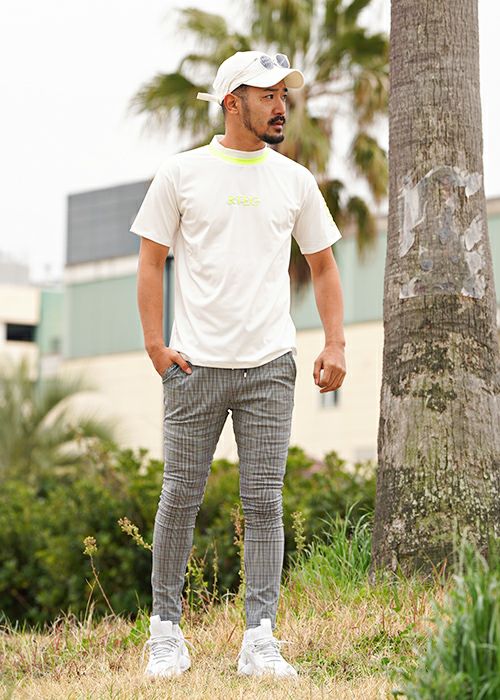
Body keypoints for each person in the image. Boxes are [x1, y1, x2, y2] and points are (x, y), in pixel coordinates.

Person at [130, 50, 346, 680]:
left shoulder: (295, 180)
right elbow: (151, 262)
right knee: (179, 498)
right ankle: (165, 634)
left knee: (264, 503)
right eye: (267, 95)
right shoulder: (181, 173)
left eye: (284, 96)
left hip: (270, 366)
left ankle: (260, 638)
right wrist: (155, 348)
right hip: (194, 366)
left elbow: (324, 266)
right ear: (232, 102)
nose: (281, 107)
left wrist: (335, 343)